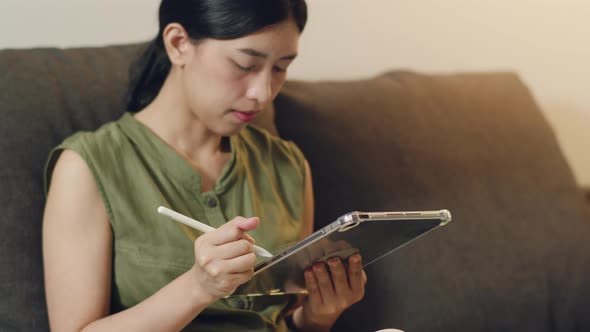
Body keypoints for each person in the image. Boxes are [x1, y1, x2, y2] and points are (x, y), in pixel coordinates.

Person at [42, 0, 367, 331]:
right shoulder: (86, 167)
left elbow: (287, 320)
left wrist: (317, 315)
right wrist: (197, 288)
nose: (263, 93)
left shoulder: (287, 165)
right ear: (178, 44)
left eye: (281, 68)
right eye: (244, 65)